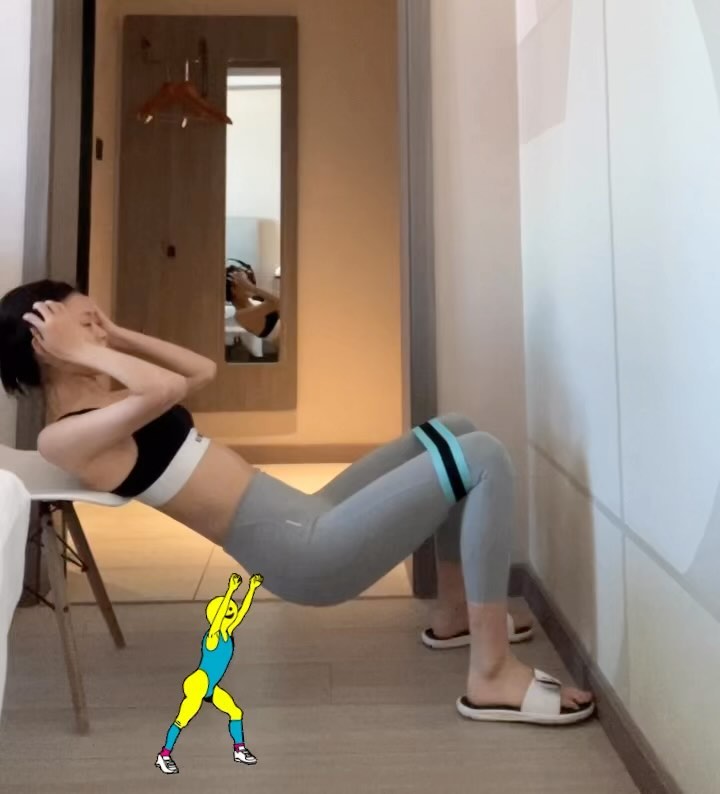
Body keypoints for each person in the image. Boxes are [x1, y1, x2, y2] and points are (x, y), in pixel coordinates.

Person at [0, 280, 594, 726]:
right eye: (87, 324)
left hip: (304, 511)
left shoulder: (108, 399)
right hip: (304, 553)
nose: (100, 333)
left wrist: (114, 333)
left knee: (452, 430)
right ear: (45, 344)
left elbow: (199, 371)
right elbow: (168, 386)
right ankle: (491, 673)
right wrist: (84, 350)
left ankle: (457, 613)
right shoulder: (64, 436)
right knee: (482, 457)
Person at [157, 572, 263, 775]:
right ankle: (164, 755)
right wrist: (230, 590)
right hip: (199, 683)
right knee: (183, 719)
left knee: (236, 712)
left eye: (231, 607)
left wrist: (252, 588)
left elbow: (243, 611)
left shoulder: (227, 633)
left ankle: (239, 749)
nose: (231, 611)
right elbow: (219, 620)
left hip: (211, 686)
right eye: (226, 608)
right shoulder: (212, 636)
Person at [228, 270, 280, 340]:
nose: (248, 283)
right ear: (233, 290)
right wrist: (251, 287)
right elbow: (280, 302)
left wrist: (251, 287)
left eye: (247, 280)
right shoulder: (240, 315)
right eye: (243, 282)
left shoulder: (255, 302)